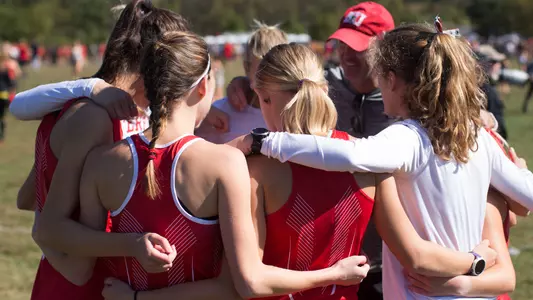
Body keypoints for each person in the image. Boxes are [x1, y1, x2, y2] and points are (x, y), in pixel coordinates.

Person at [65, 31, 373, 300]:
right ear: (203, 88)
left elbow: (77, 267)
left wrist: (130, 254)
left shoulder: (101, 161)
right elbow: (235, 287)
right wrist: (332, 274)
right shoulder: (228, 165)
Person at [237, 22, 533, 299]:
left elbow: (354, 155)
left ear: (391, 81)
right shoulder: (478, 135)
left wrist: (267, 140)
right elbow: (526, 194)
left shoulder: (407, 138)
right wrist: (476, 263)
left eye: (379, 79)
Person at [15, 2, 195, 299]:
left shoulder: (71, 107)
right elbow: (71, 255)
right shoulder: (95, 119)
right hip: (85, 285)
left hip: (63, 275)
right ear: (152, 62)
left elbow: (27, 198)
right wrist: (134, 243)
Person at [196, 21, 286, 144]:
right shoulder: (221, 113)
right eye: (264, 71)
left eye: (278, 70)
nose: (272, 79)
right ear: (247, 68)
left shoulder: (296, 115)